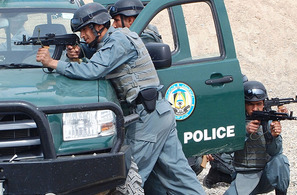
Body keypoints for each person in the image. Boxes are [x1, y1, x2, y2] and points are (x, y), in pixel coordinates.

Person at [36, 2, 205, 194]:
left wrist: (53, 63)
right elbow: (99, 52)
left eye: (84, 31)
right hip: (159, 112)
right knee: (179, 176)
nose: (82, 36)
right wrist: (80, 51)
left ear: (98, 26)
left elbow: (93, 69)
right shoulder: (113, 40)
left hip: (147, 116)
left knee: (124, 178)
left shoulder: (119, 40)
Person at [223, 80, 290, 195]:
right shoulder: (235, 122)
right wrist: (244, 132)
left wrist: (274, 137)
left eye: (258, 104)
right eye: (250, 104)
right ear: (243, 104)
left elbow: (275, 153)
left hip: (266, 175)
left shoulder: (269, 121)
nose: (255, 108)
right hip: (245, 176)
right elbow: (226, 150)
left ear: (264, 104)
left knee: (280, 160)